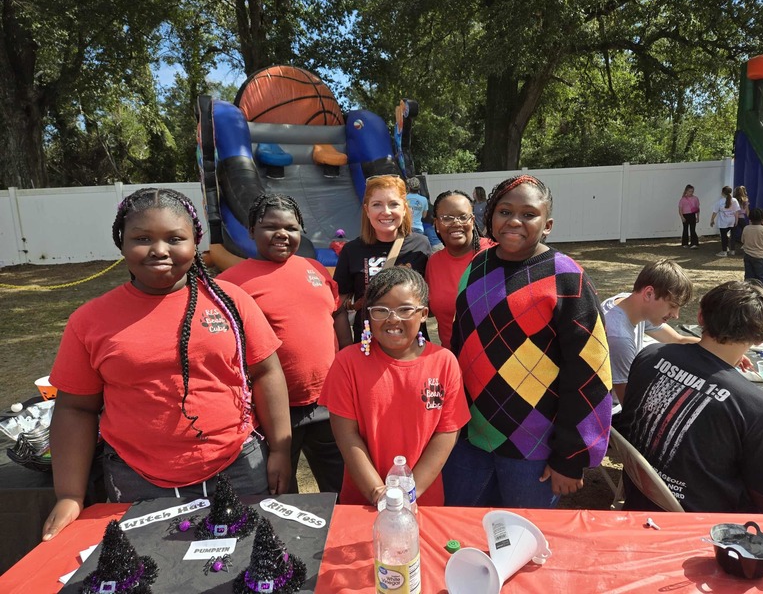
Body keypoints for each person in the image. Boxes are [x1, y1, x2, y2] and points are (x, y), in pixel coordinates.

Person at [42, 188, 292, 541]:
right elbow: (75, 409)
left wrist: (280, 450)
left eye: (175, 238)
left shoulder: (232, 302)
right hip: (136, 478)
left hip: (239, 467)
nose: (159, 250)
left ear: (195, 242)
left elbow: (267, 372)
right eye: (142, 238)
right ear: (121, 242)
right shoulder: (89, 320)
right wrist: (69, 494)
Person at [443, 174, 613, 508]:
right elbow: (460, 346)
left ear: (547, 225)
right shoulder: (477, 266)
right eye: (505, 211)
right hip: (470, 438)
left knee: (522, 534)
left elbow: (590, 373)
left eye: (529, 214)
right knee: (461, 527)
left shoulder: (567, 279)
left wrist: (571, 456)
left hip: (535, 450)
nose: (514, 221)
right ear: (490, 216)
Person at [617, 281, 763, 514]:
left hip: (642, 494)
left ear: (701, 317)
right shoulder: (759, 410)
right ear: (759, 338)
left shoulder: (650, 355)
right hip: (703, 522)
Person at [218, 193, 344, 494]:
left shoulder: (315, 269)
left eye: (291, 227)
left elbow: (337, 314)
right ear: (251, 231)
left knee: (342, 488)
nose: (282, 234)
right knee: (281, 494)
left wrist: (347, 362)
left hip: (327, 402)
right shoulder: (229, 284)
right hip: (273, 412)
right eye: (270, 227)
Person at [319, 267, 470, 506]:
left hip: (422, 501)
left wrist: (409, 493)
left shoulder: (444, 362)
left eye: (405, 309)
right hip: (363, 501)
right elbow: (346, 435)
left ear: (423, 314)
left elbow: (447, 432)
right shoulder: (347, 363)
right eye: (381, 310)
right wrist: (377, 492)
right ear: (368, 315)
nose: (392, 319)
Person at [333, 174, 431, 349]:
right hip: (368, 345)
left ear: (405, 208)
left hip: (412, 346)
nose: (386, 211)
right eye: (377, 204)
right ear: (367, 210)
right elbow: (338, 304)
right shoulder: (351, 250)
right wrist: (347, 347)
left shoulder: (421, 246)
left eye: (393, 204)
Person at [602, 260, 697, 405]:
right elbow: (629, 403)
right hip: (614, 409)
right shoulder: (620, 338)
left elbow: (678, 340)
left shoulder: (630, 303)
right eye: (672, 306)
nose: (676, 315)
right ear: (648, 293)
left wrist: (721, 351)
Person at [425, 190, 494, 349]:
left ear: (473, 220)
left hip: (493, 356)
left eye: (463, 217)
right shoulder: (434, 262)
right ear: (436, 224)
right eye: (447, 218)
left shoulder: (494, 254)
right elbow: (432, 310)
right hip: (452, 356)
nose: (456, 223)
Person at [741, 207, 763, 289]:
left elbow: (742, 240)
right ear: (762, 218)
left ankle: (747, 293)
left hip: (747, 255)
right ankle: (762, 294)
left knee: (748, 278)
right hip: (760, 256)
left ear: (750, 218)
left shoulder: (746, 228)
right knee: (762, 278)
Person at [709, 186, 740, 257]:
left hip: (723, 222)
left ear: (722, 193)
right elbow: (736, 212)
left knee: (724, 236)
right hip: (732, 221)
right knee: (733, 236)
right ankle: (732, 250)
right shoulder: (734, 200)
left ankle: (724, 251)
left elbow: (715, 212)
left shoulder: (720, 202)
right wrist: (736, 220)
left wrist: (712, 220)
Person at [677, 184, 700, 248]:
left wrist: (698, 217)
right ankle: (685, 243)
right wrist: (682, 217)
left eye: (692, 191)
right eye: (689, 191)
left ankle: (694, 243)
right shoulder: (682, 199)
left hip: (692, 215)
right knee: (685, 229)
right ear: (686, 191)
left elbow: (697, 208)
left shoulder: (695, 198)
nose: (691, 193)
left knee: (692, 229)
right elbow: (680, 209)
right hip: (685, 215)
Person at [730, 185, 750, 254]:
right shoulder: (745, 199)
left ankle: (732, 250)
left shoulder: (733, 200)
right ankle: (745, 245)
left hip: (734, 218)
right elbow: (747, 210)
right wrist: (749, 218)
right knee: (746, 232)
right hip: (741, 218)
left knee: (733, 234)